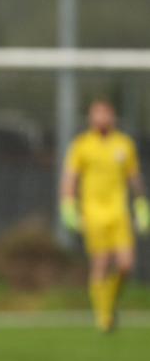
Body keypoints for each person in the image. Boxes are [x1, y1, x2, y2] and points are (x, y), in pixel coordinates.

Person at [60, 99, 148, 332]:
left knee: (126, 265)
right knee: (101, 263)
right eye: (96, 114)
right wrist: (68, 205)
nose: (101, 119)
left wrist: (141, 204)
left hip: (119, 212)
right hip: (93, 213)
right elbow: (71, 177)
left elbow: (134, 177)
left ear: (113, 117)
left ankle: (109, 301)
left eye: (105, 114)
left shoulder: (123, 144)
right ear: (90, 118)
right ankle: (103, 315)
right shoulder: (82, 145)